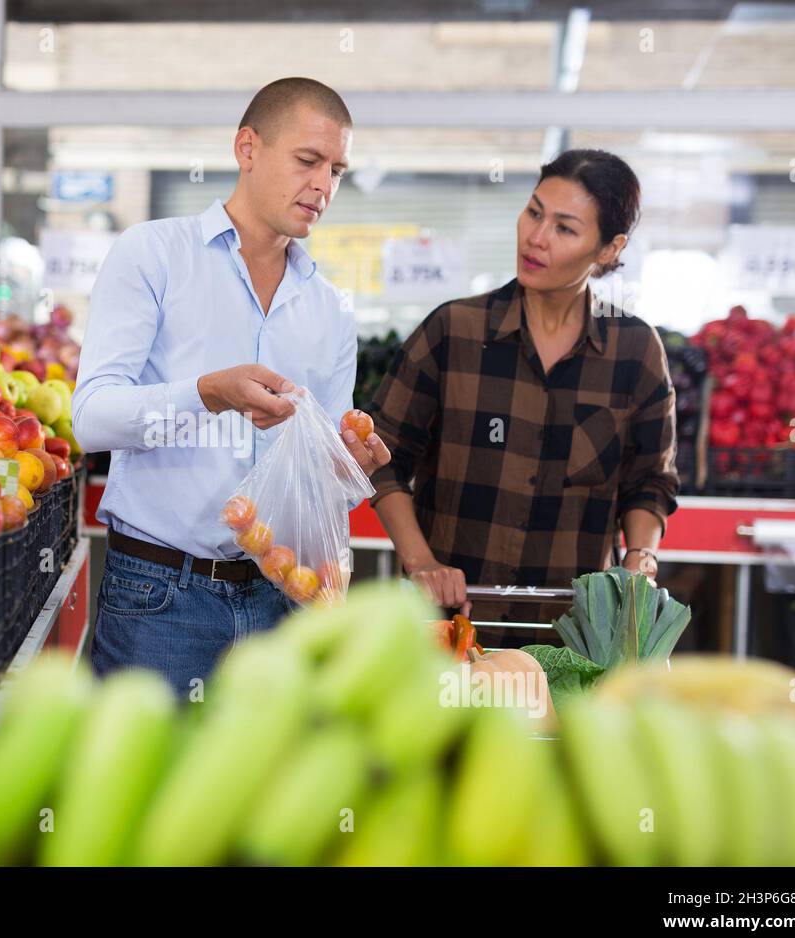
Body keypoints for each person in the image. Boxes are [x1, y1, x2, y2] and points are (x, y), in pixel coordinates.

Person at [72, 77, 391, 695]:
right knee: (148, 789)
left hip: (283, 601)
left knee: (264, 790)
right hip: (160, 598)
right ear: (247, 148)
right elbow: (91, 418)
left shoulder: (330, 308)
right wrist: (207, 393)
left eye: (337, 169)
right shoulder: (153, 255)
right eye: (308, 161)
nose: (324, 186)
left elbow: (317, 482)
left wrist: (349, 469)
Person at [368, 148, 679, 642]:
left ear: (608, 249)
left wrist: (641, 557)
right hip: (450, 626)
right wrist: (422, 562)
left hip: (575, 633)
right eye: (534, 212)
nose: (536, 238)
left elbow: (649, 481)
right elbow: (380, 457)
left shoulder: (635, 351)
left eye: (565, 228)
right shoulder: (454, 332)